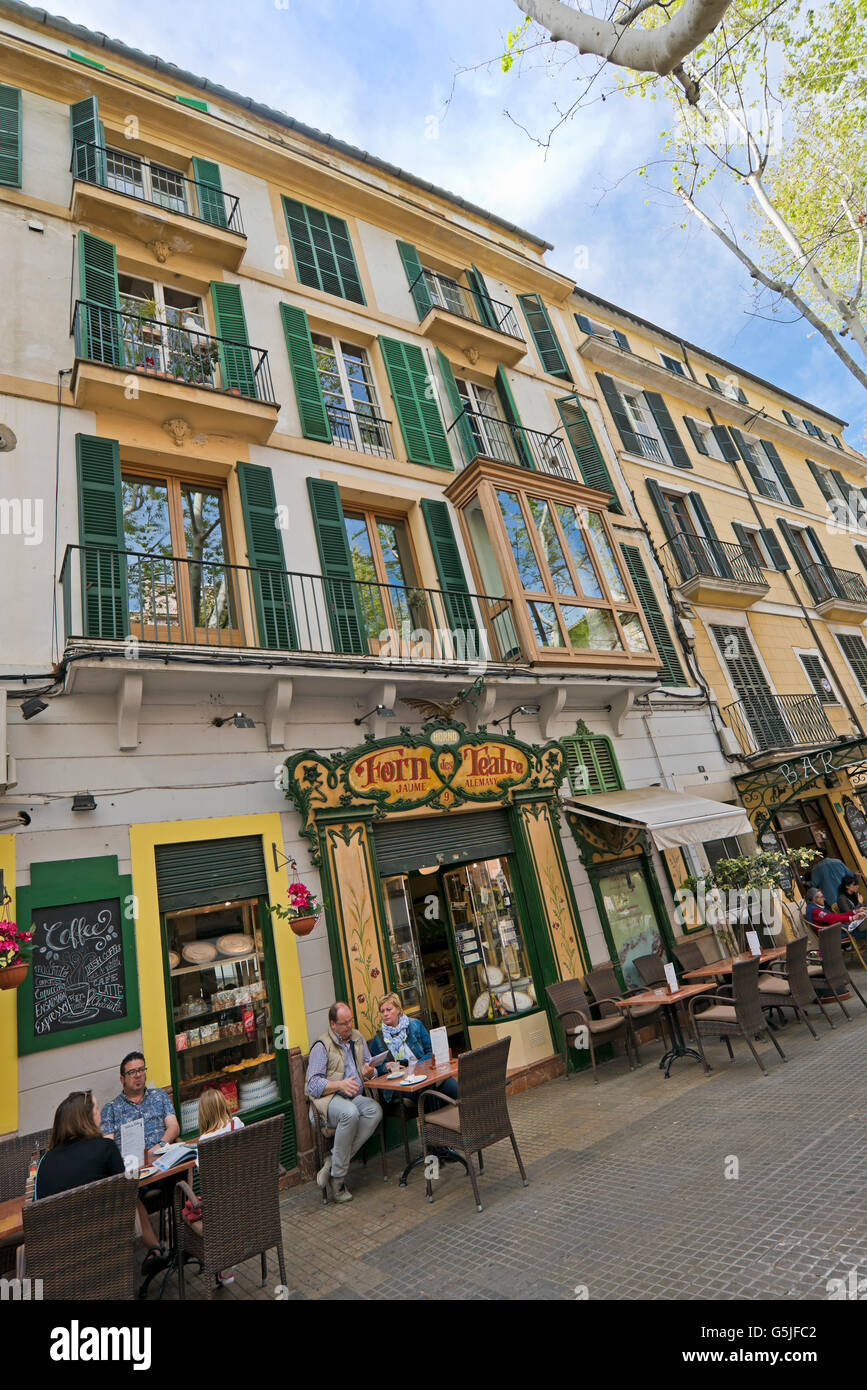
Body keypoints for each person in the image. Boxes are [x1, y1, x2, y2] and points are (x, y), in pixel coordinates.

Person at [100, 1050, 179, 1264]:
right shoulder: (111, 1109)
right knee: (128, 1194)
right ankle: (156, 1251)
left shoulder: (159, 1096)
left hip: (163, 1162)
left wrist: (160, 1146)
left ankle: (186, 1237)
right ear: (122, 1078)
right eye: (132, 1072)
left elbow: (173, 1126)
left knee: (186, 1169)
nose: (138, 1075)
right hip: (133, 1171)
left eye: (141, 1070)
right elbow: (107, 1145)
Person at [305, 1001, 382, 1203]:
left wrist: (370, 1071)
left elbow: (371, 1066)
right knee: (350, 1113)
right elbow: (312, 1085)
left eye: (350, 1021)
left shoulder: (357, 1038)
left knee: (374, 1110)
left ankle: (331, 1163)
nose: (349, 1026)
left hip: (352, 1098)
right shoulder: (322, 1046)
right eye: (344, 1023)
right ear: (332, 1024)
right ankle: (338, 1181)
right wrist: (338, 1084)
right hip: (327, 1104)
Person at [181, 1088, 245, 1286]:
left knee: (187, 1203)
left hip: (221, 1210)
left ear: (203, 1114)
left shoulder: (204, 1141)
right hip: (245, 1199)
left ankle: (219, 1264)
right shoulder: (238, 1124)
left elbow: (202, 1172)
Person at [369, 992, 458, 1105]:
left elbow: (431, 1051)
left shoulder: (415, 1025)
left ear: (398, 1009)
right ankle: (433, 1121)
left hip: (424, 1071)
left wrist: (417, 1067)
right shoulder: (378, 1039)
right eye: (382, 1011)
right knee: (427, 1091)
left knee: (453, 1086)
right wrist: (385, 1067)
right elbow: (374, 1068)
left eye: (389, 1009)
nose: (385, 1014)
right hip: (400, 1082)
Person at [35, 1091, 125, 1199]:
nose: (100, 1114)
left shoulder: (45, 1161)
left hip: (60, 1215)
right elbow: (125, 1189)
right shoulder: (106, 1147)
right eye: (97, 1109)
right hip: (105, 1214)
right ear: (88, 1118)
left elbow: (37, 1202)